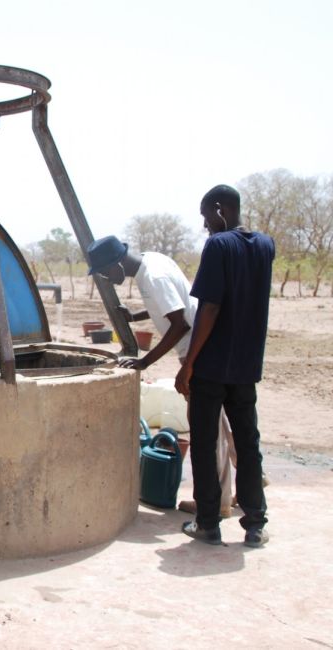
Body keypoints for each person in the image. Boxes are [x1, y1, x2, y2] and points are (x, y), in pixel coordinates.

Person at [86, 235, 235, 518]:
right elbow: (169, 306)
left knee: (207, 430)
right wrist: (136, 316)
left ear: (117, 263)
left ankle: (216, 503)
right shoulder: (153, 261)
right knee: (221, 424)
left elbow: (180, 324)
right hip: (206, 349)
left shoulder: (153, 277)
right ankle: (251, 481)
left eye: (104, 271)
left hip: (196, 352)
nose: (105, 277)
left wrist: (145, 362)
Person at [175, 184, 274, 548]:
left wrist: (190, 365)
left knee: (203, 443)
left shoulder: (218, 246)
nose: (206, 226)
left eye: (206, 217)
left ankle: (208, 524)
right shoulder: (266, 245)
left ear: (221, 209)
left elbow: (210, 308)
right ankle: (255, 524)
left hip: (213, 366)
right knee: (248, 443)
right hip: (246, 366)